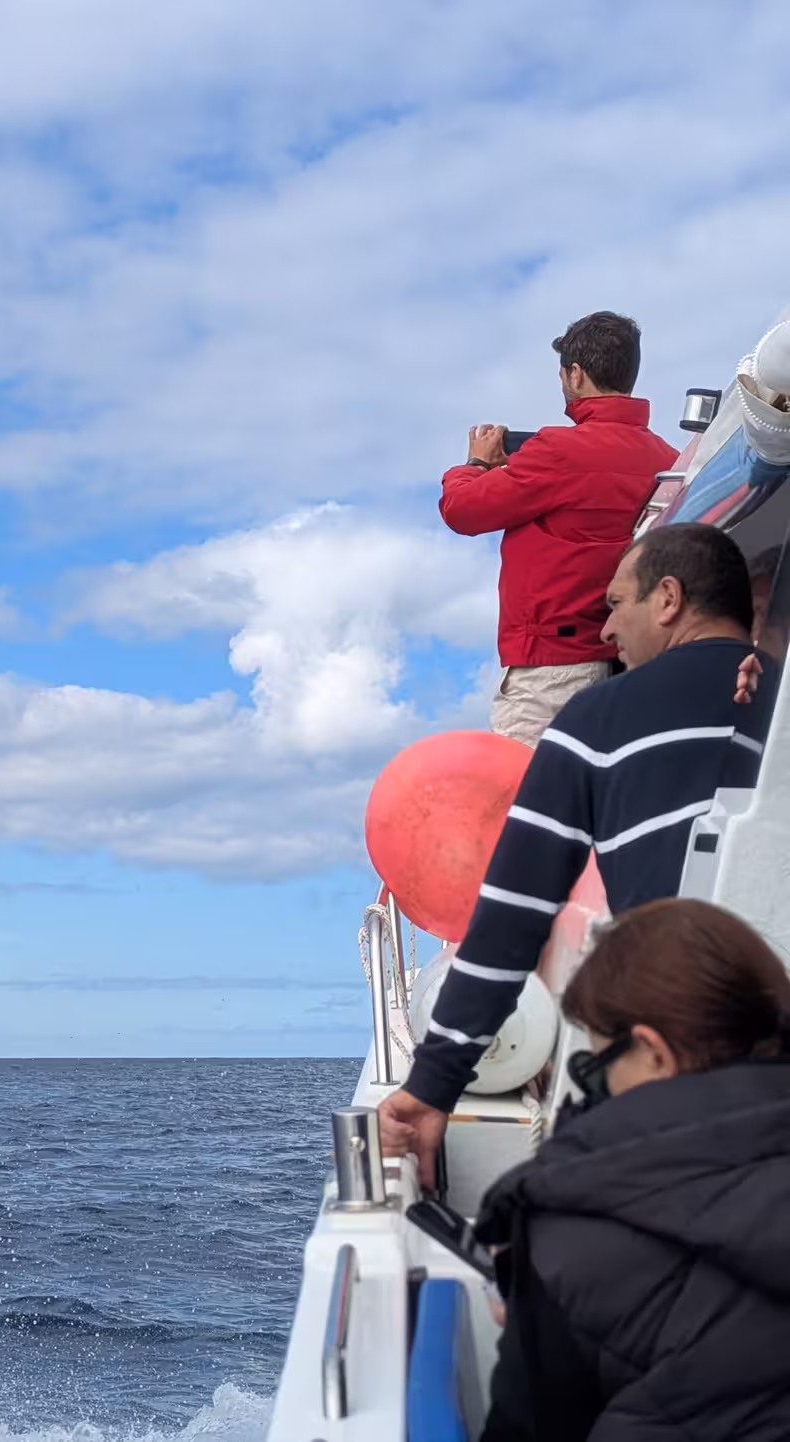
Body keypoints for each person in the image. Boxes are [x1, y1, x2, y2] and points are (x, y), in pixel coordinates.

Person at [379, 523, 775, 1184]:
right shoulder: (778, 698)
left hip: (681, 1066)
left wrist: (435, 1084)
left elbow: (511, 917)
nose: (606, 632)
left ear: (669, 598)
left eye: (616, 605)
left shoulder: (599, 719)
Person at [475, 898, 790, 1441]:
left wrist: (539, 1312)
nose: (597, 1092)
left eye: (598, 1067)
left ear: (653, 1052)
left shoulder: (570, 1237)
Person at [441, 312, 677, 746]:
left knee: (528, 802)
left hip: (552, 669)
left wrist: (475, 464)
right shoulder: (670, 460)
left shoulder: (555, 450)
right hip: (635, 663)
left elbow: (462, 510)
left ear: (574, 373)